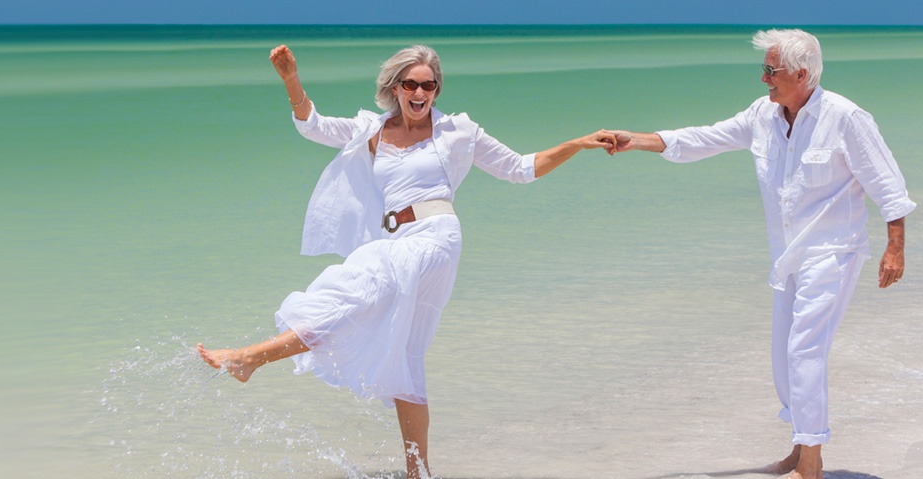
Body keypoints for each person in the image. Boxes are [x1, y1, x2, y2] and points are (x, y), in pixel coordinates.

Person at [198, 44, 616, 479]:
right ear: (395, 88)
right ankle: (419, 473)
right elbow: (312, 126)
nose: (420, 92)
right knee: (406, 356)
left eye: (429, 85)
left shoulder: (458, 132)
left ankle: (250, 358)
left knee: (353, 294)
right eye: (411, 83)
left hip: (436, 239)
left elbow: (521, 167)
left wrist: (577, 143)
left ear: (436, 90)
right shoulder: (372, 131)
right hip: (396, 238)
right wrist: (290, 79)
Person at [606, 29, 915, 479]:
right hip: (787, 257)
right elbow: (704, 138)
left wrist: (895, 250)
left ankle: (810, 467)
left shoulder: (845, 117)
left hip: (833, 253)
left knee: (804, 350)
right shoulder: (763, 116)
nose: (764, 79)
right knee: (783, 358)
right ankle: (802, 447)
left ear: (802, 73)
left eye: (771, 71)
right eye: (764, 69)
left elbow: (889, 186)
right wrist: (636, 139)